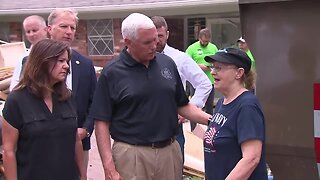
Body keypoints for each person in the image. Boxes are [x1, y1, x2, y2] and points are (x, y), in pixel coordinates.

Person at [90, 13, 212, 180]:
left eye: (155, 39)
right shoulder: (112, 73)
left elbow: (182, 104)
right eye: (147, 42)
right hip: (131, 155)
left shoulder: (167, 63)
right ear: (128, 42)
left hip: (169, 151)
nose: (154, 45)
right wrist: (108, 166)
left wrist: (212, 121)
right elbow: (101, 122)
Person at [2, 39, 86, 180]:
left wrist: (83, 175)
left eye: (67, 61)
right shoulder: (17, 101)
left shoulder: (67, 98)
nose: (66, 66)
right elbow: (8, 151)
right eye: (60, 61)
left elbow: (75, 140)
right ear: (42, 62)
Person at [151, 16, 212, 163]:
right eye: (154, 36)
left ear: (167, 34)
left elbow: (204, 84)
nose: (157, 40)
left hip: (173, 128)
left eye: (160, 35)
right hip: (148, 128)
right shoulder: (141, 59)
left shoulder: (179, 58)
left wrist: (189, 110)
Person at [203, 47, 267, 179]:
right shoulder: (222, 102)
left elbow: (252, 158)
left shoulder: (247, 106)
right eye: (212, 67)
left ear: (239, 73)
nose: (213, 72)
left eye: (219, 68)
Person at [47, 8, 97, 172]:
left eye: (72, 28)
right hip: (44, 143)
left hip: (79, 143)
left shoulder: (85, 64)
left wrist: (86, 130)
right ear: (49, 29)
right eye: (63, 26)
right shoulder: (33, 63)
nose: (69, 32)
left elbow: (94, 102)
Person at [186, 28, 218, 130]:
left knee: (209, 107)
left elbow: (218, 62)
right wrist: (197, 66)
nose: (205, 43)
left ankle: (210, 130)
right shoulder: (191, 48)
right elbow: (185, 63)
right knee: (194, 107)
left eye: (207, 41)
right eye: (203, 41)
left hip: (210, 82)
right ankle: (193, 129)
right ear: (199, 38)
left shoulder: (213, 48)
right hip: (195, 83)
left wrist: (208, 66)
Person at [9, 15, 48, 91]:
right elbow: (15, 84)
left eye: (35, 30)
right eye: (28, 32)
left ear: (46, 30)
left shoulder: (55, 52)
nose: (31, 34)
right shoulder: (23, 58)